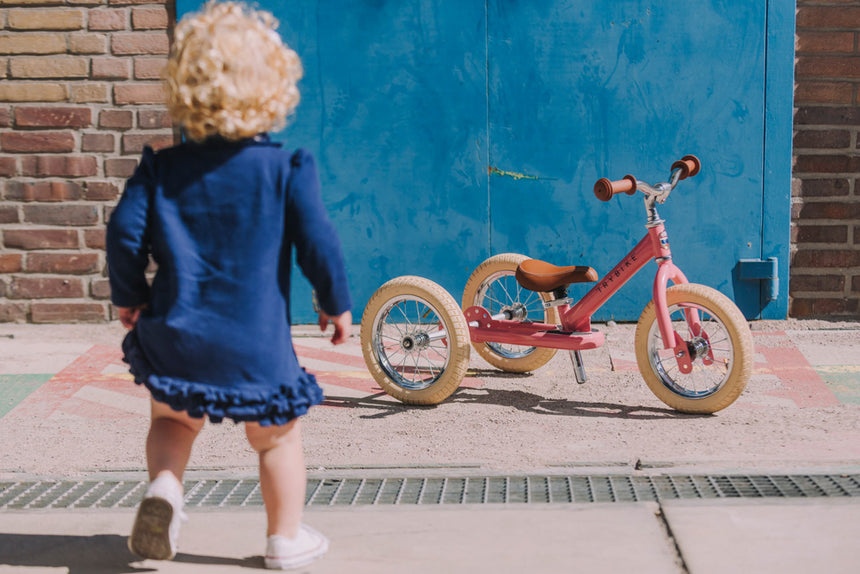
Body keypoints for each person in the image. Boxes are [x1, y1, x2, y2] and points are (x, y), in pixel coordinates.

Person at [106, 1, 352, 569]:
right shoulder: (286, 168)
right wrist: (334, 302)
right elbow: (319, 240)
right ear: (273, 87)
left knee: (171, 420)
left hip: (177, 334)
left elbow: (123, 233)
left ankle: (164, 490)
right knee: (276, 439)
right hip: (256, 344)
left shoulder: (161, 170)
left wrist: (130, 296)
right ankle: (284, 539)